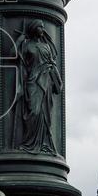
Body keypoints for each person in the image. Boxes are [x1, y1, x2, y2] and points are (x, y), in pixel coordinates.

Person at [12, 19, 62, 154]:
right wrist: (19, 40)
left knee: (45, 113)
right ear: (34, 29)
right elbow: (13, 54)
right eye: (40, 27)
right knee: (34, 111)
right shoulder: (27, 46)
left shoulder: (46, 46)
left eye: (43, 27)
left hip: (47, 82)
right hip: (33, 82)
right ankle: (29, 143)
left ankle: (44, 144)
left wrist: (55, 75)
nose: (42, 29)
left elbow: (52, 62)